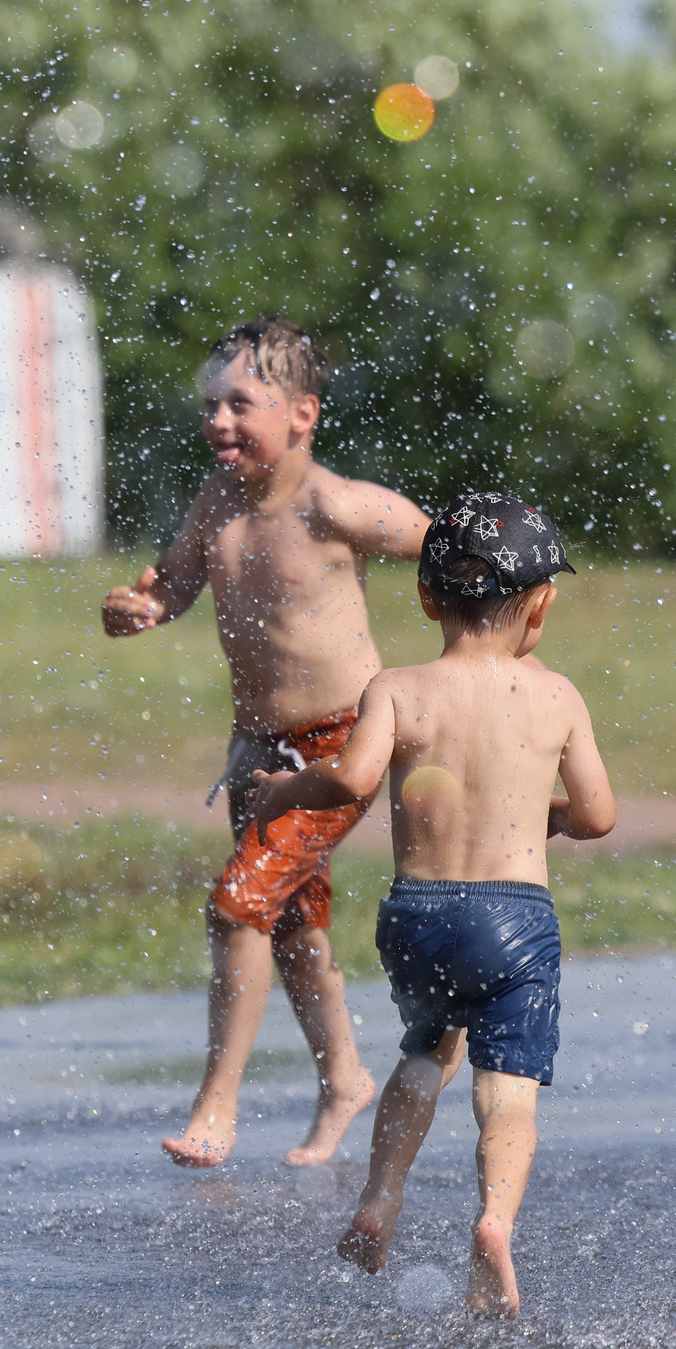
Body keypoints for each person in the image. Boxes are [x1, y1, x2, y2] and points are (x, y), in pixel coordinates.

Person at [245, 492, 615, 1317]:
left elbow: (348, 778)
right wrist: (538, 815)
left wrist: (282, 790)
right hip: (514, 918)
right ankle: (493, 1223)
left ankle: (379, 1200)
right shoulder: (557, 696)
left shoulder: (397, 687)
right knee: (507, 1082)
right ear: (542, 604)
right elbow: (596, 816)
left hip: (418, 914)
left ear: (425, 598)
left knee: (424, 1049)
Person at [101, 318, 429, 1168]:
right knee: (290, 924)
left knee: (238, 902)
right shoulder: (214, 504)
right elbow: (173, 583)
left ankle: (217, 1103)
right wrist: (138, 609)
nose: (218, 421)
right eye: (211, 405)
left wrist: (484, 655)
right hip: (257, 750)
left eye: (241, 403)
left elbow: (452, 548)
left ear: (303, 414)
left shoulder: (335, 505)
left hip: (339, 746)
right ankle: (345, 1078)